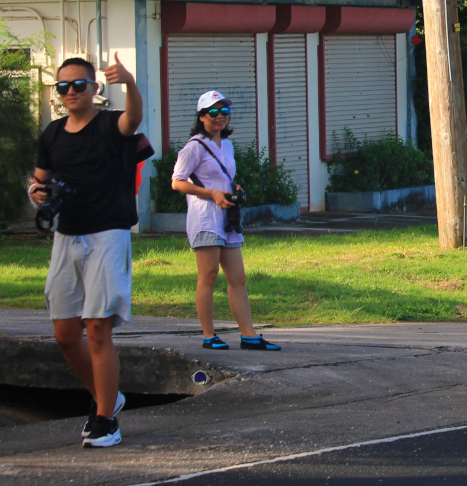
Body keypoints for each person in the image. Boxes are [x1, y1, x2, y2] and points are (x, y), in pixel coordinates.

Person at [29, 55, 143, 447]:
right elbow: (39, 178)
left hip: (107, 234)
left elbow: (134, 118)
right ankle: (105, 397)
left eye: (80, 84)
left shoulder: (112, 125)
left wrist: (129, 83)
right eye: (64, 87)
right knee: (64, 332)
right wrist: (36, 191)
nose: (72, 92)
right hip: (67, 236)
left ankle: (105, 420)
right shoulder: (53, 134)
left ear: (95, 88)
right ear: (57, 93)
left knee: (97, 328)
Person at [171, 91, 281, 352]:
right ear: (201, 117)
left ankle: (250, 336)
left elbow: (221, 177)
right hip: (205, 218)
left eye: (223, 111)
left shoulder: (227, 145)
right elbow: (177, 181)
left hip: (227, 218)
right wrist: (212, 194)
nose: (219, 116)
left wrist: (233, 188)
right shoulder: (194, 146)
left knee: (238, 278)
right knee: (208, 276)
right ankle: (209, 336)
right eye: (213, 112)